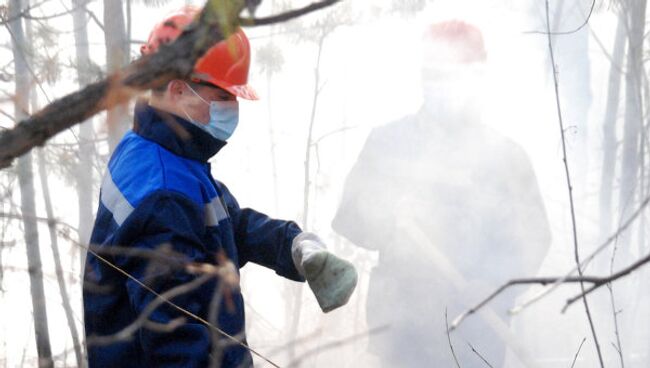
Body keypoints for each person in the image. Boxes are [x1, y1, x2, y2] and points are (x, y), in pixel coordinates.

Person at [83, 7, 357, 368]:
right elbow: (175, 342)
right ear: (180, 90)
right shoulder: (163, 192)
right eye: (224, 96)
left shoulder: (161, 152)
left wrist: (292, 244)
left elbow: (224, 224)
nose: (233, 108)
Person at [332, 20, 551, 367]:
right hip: (402, 334)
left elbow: (533, 238)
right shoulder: (389, 144)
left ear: (477, 77)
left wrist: (492, 286)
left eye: (452, 75)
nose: (441, 85)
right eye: (434, 74)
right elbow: (348, 218)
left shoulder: (507, 158)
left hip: (477, 337)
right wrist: (387, 219)